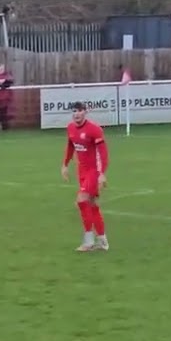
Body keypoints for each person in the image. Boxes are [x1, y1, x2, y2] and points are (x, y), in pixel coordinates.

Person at [61, 103, 109, 252]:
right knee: (92, 205)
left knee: (81, 201)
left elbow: (103, 153)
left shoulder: (94, 129)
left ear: (85, 112)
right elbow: (70, 146)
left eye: (79, 111)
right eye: (74, 111)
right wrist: (65, 164)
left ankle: (88, 242)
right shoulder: (70, 128)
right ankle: (103, 241)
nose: (76, 114)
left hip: (93, 171)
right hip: (81, 171)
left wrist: (101, 173)